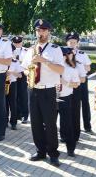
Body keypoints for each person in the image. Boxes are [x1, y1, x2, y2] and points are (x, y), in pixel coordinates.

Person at [21, 19, 64, 167]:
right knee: (36, 123)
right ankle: (40, 151)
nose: (41, 33)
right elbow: (24, 68)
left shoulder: (55, 49)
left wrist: (44, 60)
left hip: (48, 90)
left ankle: (53, 154)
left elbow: (61, 70)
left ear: (49, 32)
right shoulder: (30, 49)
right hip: (33, 89)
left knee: (50, 123)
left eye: (44, 30)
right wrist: (28, 72)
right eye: (38, 30)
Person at [66, 32, 93, 136]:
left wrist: (80, 65)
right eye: (70, 42)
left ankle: (87, 126)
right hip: (70, 82)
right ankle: (72, 125)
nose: (72, 44)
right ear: (67, 43)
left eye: (74, 42)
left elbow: (89, 68)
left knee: (85, 103)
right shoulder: (64, 54)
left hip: (82, 81)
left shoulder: (82, 54)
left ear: (77, 43)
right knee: (72, 104)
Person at [59, 47, 82, 157]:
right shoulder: (50, 68)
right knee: (48, 125)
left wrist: (65, 83)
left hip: (65, 98)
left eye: (63, 55)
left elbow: (76, 84)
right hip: (50, 98)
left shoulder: (71, 69)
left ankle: (70, 149)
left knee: (67, 124)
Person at [12, 36, 28, 124]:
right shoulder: (10, 50)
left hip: (23, 73)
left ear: (22, 42)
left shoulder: (26, 51)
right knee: (14, 96)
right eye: (15, 42)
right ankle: (17, 114)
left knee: (23, 95)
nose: (17, 44)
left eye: (19, 42)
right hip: (12, 74)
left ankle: (25, 115)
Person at [6, 44, 20, 130]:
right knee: (4, 104)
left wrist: (11, 72)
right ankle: (4, 121)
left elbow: (20, 75)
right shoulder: (2, 61)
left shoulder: (15, 61)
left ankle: (13, 122)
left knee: (13, 104)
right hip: (2, 83)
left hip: (12, 84)